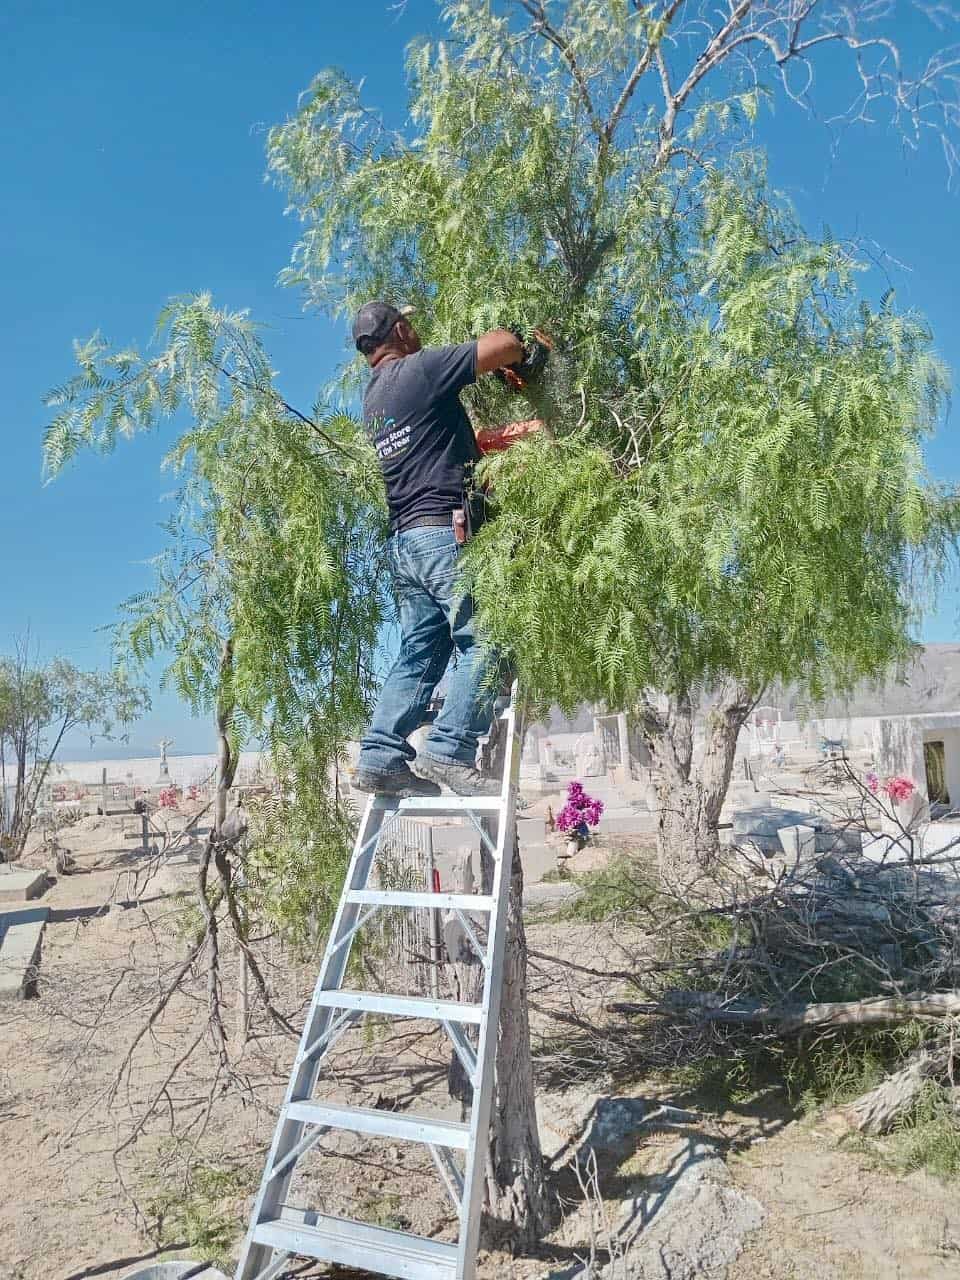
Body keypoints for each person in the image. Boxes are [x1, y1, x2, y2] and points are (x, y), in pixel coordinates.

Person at [352, 301, 544, 798]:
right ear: (400, 330)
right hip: (444, 535)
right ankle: (450, 749)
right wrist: (524, 350)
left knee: (421, 651)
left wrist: (502, 440)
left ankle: (379, 756)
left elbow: (440, 443)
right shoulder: (418, 370)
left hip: (406, 543)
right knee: (489, 641)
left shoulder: (374, 398)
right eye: (410, 323)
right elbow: (504, 344)